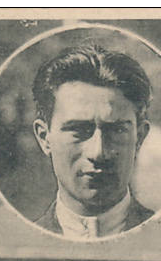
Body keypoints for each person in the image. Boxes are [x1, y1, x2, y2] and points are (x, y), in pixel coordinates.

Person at [31, 44, 154, 239]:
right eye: (78, 130)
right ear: (44, 137)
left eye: (116, 130)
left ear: (139, 137)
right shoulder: (20, 244)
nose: (98, 152)